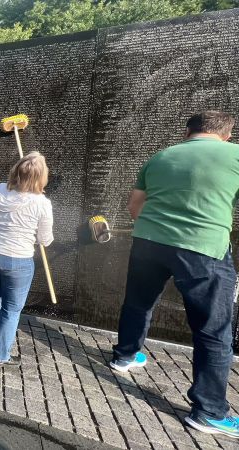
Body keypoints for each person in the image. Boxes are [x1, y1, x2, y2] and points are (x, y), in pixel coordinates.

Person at [111, 111, 239, 438]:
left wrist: (156, 228)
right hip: (202, 250)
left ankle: (125, 356)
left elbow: (135, 206)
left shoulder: (161, 157)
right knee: (213, 331)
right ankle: (209, 412)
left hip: (148, 242)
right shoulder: (235, 155)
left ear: (187, 131)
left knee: (138, 303)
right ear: (227, 135)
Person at [0, 152, 53, 368]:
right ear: (42, 177)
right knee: (12, 309)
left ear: (16, 170)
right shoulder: (42, 203)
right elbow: (45, 239)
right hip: (17, 259)